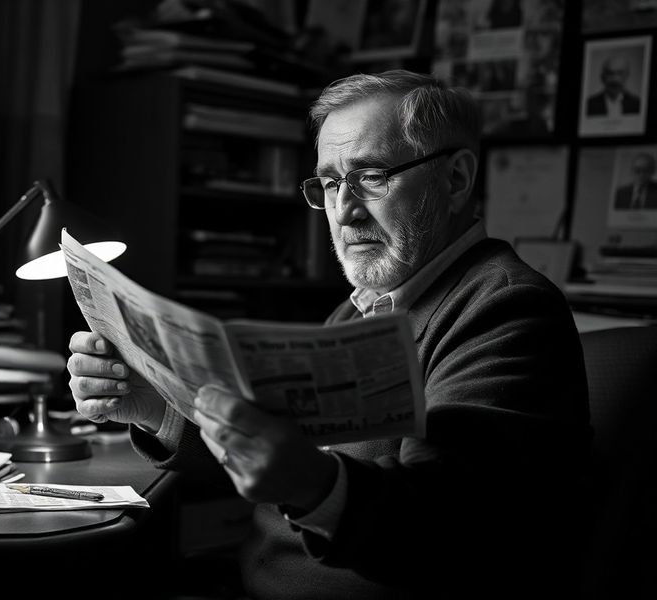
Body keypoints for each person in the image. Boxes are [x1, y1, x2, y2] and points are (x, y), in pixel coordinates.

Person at [67, 70, 591, 599]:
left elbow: (445, 525)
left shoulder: (507, 308)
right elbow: (270, 456)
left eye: (373, 176)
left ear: (456, 179)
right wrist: (155, 408)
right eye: (332, 183)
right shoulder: (359, 311)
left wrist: (310, 484)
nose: (345, 210)